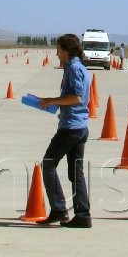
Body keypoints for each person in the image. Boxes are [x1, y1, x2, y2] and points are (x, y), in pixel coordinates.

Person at [35, 34, 94, 228]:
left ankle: (59, 210)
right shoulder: (79, 68)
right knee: (76, 174)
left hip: (71, 128)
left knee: (48, 165)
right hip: (79, 126)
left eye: (58, 49)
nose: (56, 53)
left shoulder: (74, 69)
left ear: (66, 51)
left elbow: (76, 98)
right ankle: (83, 215)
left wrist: (51, 101)